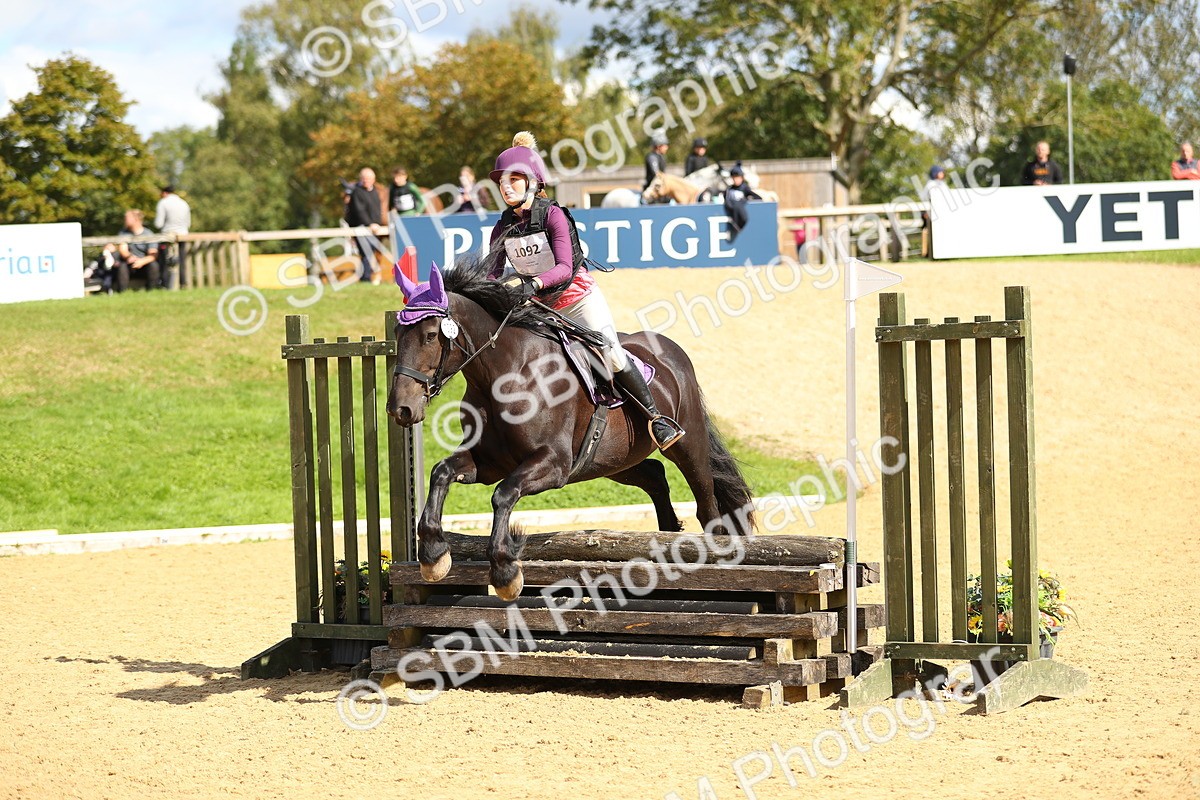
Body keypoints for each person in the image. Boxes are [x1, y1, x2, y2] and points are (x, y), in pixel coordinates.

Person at [487, 131, 684, 450]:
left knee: (611, 353)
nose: (506, 187)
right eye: (501, 182)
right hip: (540, 309)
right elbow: (492, 273)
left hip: (577, 300)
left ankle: (656, 418)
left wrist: (532, 283)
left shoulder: (553, 215)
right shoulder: (502, 227)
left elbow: (565, 266)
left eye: (514, 179)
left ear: (533, 182)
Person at [345, 168, 388, 283]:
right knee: (365, 252)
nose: (366, 181)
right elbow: (360, 211)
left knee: (371, 252)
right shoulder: (357, 192)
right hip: (361, 227)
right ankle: (365, 277)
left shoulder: (374, 192)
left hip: (374, 228)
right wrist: (370, 224)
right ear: (360, 179)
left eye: (369, 178)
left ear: (373, 179)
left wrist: (377, 224)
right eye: (364, 178)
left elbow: (377, 210)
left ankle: (367, 277)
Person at [115, 209, 160, 292]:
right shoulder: (123, 233)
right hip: (130, 264)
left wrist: (141, 261)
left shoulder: (148, 234)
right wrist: (129, 257)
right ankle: (121, 293)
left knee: (154, 265)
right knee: (122, 266)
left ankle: (152, 291)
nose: (124, 220)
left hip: (144, 265)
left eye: (127, 218)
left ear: (136, 219)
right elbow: (123, 249)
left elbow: (153, 255)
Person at [154, 185, 191, 288]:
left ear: (165, 193)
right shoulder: (184, 203)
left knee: (165, 261)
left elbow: (158, 224)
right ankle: (183, 283)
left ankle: (165, 284)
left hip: (167, 236)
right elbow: (188, 223)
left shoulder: (163, 203)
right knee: (182, 261)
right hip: (183, 235)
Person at [722, 162, 762, 242]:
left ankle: (737, 225)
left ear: (742, 178)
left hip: (742, 215)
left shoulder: (745, 188)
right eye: (734, 177)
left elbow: (757, 197)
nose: (736, 179)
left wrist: (747, 200)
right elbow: (725, 199)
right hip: (731, 213)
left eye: (738, 177)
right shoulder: (729, 189)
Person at [921, 165, 947, 257]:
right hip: (930, 212)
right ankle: (928, 253)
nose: (942, 174)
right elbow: (924, 199)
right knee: (929, 232)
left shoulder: (943, 184)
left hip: (942, 213)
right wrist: (925, 212)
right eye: (940, 172)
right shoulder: (930, 184)